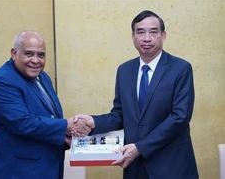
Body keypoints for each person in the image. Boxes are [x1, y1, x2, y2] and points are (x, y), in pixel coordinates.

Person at [74, 10, 198, 179]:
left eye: (153, 32)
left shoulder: (180, 68)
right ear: (133, 36)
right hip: (135, 169)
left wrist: (140, 148)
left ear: (163, 35)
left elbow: (180, 117)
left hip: (172, 167)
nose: (146, 38)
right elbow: (119, 114)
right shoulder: (124, 70)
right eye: (140, 32)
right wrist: (93, 121)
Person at [0, 30, 94, 179]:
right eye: (29, 54)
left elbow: (49, 117)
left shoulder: (42, 76)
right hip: (16, 172)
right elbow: (23, 123)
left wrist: (64, 136)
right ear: (14, 53)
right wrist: (66, 126)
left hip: (46, 168)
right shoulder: (2, 81)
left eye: (41, 55)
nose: (36, 60)